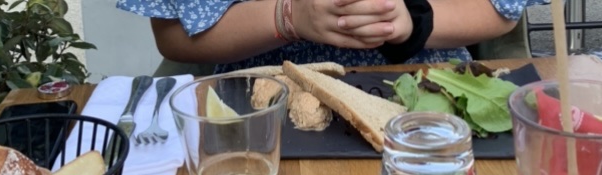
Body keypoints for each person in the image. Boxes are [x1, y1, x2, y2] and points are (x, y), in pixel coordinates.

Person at [117, 0, 544, 73]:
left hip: (426, 99)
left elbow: (499, 11)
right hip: (260, 114)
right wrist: (288, 18)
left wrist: (415, 21)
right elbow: (174, 36)